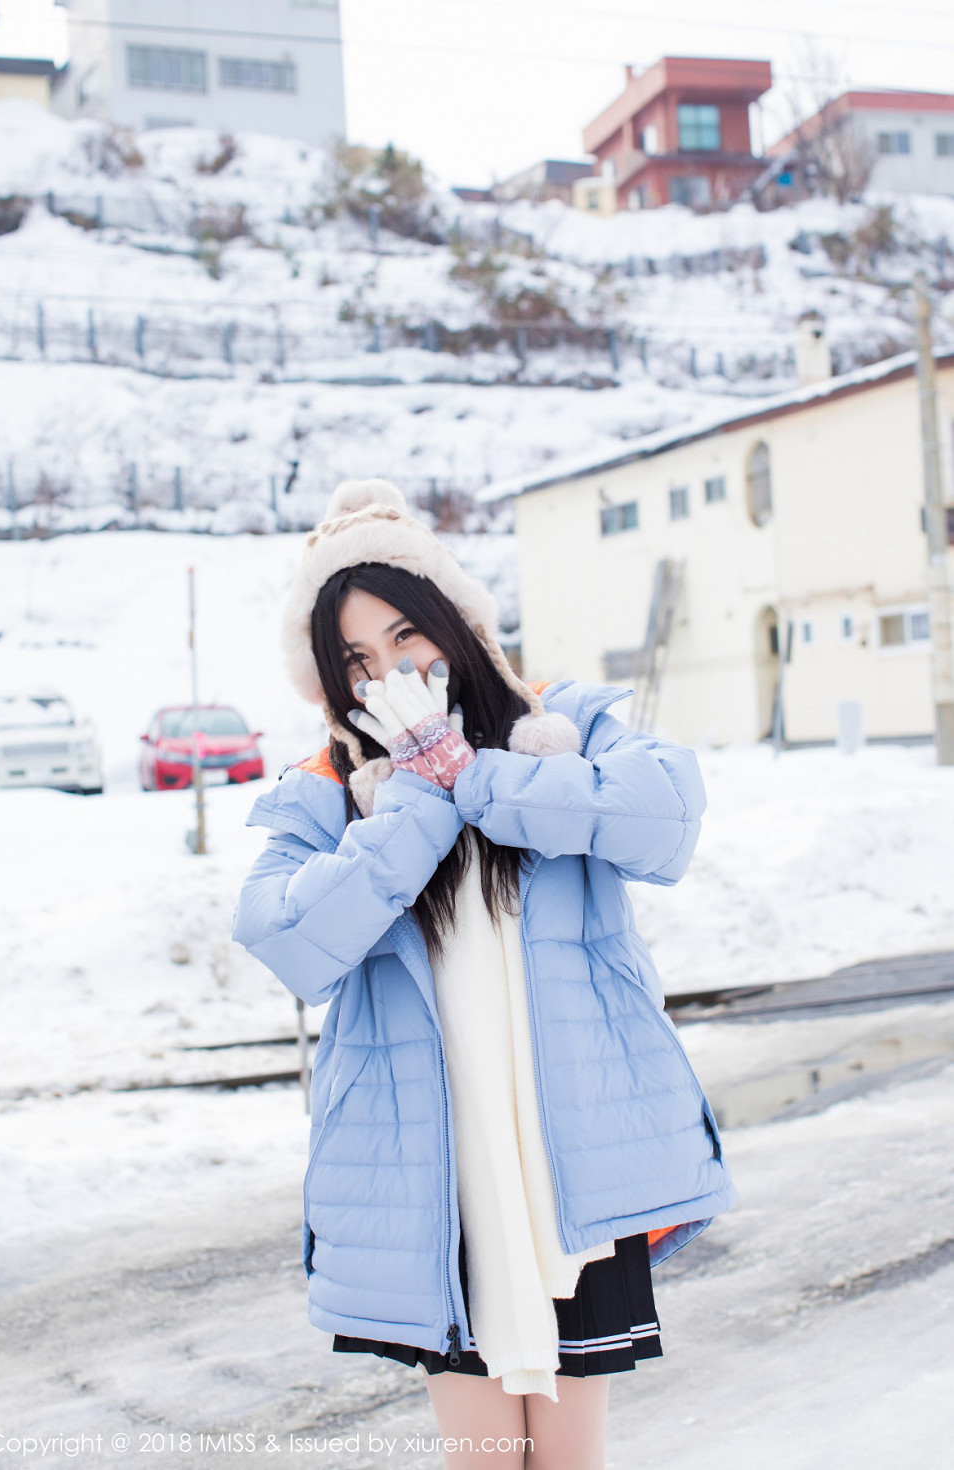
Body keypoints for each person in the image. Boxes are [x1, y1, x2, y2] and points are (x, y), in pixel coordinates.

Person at [231, 478, 738, 1469]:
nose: (390, 671)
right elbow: (289, 939)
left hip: (565, 1168)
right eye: (357, 660)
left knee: (566, 1459)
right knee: (480, 1460)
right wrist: (416, 801)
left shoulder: (560, 725)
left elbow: (660, 818)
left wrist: (472, 774)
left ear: (454, 623)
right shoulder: (329, 792)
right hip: (439, 1181)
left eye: (405, 636)